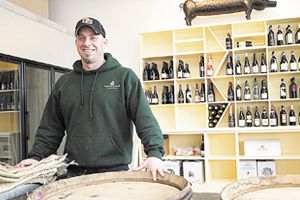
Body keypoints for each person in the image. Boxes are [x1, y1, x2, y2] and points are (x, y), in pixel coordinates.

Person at [17, 17, 165, 181]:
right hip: (73, 172)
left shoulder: (125, 77)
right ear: (76, 43)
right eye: (81, 37)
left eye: (93, 37)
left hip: (115, 172)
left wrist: (154, 154)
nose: (87, 43)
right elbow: (50, 129)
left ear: (105, 42)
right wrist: (36, 157)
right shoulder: (64, 83)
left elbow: (145, 119)